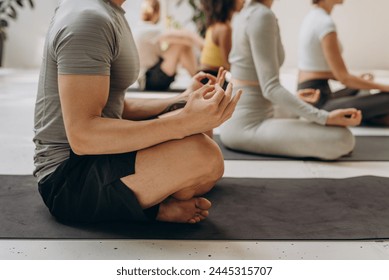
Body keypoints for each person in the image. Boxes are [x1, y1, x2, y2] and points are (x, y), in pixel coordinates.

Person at [33, 0, 242, 224]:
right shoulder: (88, 20)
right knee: (203, 155)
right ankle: (155, 205)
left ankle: (155, 193)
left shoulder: (107, 12)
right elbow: (83, 136)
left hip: (99, 153)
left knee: (203, 132)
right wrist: (183, 123)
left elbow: (115, 108)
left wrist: (183, 101)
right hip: (69, 179)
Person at [219, 0, 362, 160]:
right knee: (343, 138)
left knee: (336, 133)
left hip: (246, 116)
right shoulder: (261, 15)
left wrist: (295, 101)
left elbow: (257, 86)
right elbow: (270, 88)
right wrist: (324, 117)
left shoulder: (248, 12)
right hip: (247, 126)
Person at [297, 0, 389, 126]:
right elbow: (344, 78)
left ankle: (374, 117)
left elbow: (316, 70)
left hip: (314, 94)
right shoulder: (325, 23)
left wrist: (357, 80)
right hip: (318, 102)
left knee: (357, 87)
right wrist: (384, 87)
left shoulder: (313, 17)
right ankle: (375, 118)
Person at [135, 0, 204, 91]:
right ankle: (200, 81)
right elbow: (184, 35)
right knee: (181, 44)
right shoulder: (149, 29)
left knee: (182, 44)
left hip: (151, 77)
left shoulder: (141, 28)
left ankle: (199, 80)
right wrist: (203, 45)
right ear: (157, 12)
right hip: (149, 79)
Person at [199, 0, 245, 76]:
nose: (243, 1)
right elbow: (227, 64)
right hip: (212, 77)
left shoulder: (215, 25)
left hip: (205, 74)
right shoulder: (224, 29)